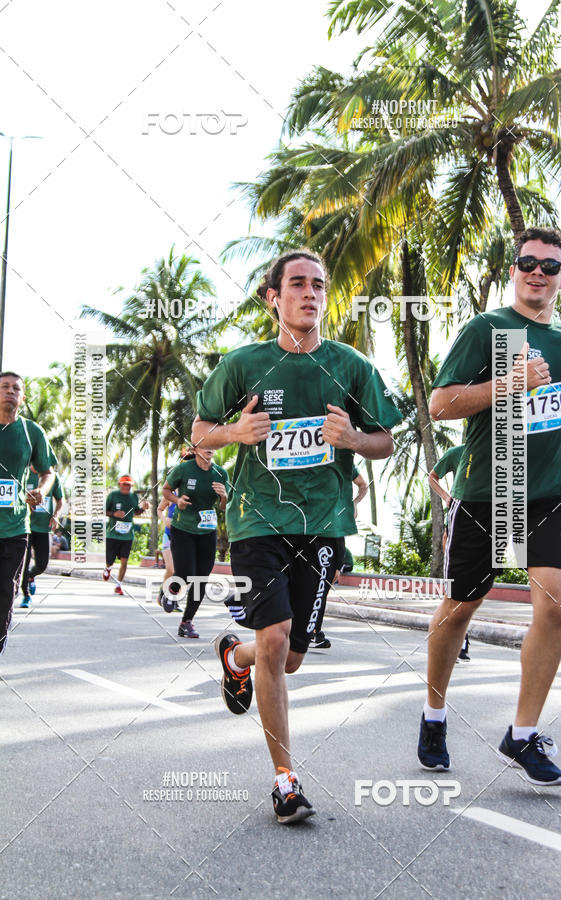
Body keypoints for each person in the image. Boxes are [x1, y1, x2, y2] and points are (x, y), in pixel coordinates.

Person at [192, 249, 401, 823]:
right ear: (273, 298)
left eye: (319, 285)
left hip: (324, 523)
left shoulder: (351, 366)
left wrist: (354, 440)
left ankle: (235, 656)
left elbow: (386, 440)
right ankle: (285, 779)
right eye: (298, 284)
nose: (310, 293)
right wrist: (236, 432)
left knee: (288, 659)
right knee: (277, 637)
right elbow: (200, 432)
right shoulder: (243, 365)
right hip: (257, 521)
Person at [420, 226, 561, 787]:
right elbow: (440, 404)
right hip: (487, 492)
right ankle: (434, 714)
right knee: (460, 609)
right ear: (514, 270)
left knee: (557, 603)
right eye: (528, 263)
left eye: (549, 266)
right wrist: (510, 382)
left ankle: (522, 734)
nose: (537, 273)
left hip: (551, 493)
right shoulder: (488, 329)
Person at [0, 372, 56, 654]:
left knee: (4, 596)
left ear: (22, 398)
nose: (10, 391)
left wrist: (43, 490)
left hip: (15, 528)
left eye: (16, 388)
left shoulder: (31, 431)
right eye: (4, 386)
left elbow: (48, 472)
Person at [161, 447, 228, 638]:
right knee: (185, 574)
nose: (209, 448)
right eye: (205, 444)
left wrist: (224, 496)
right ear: (196, 448)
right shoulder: (184, 469)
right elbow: (165, 490)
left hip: (207, 530)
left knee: (201, 579)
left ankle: (186, 622)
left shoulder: (220, 473)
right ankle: (171, 590)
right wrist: (177, 500)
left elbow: (224, 506)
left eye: (213, 445)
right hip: (183, 529)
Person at [310, 462, 368, 650]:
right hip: (312, 531)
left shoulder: (345, 463)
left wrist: (354, 502)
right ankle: (310, 632)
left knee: (321, 588)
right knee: (314, 588)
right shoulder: (313, 462)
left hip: (332, 534)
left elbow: (363, 484)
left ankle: (313, 631)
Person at [428, 445, 471, 661]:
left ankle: (460, 637)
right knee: (454, 583)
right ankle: (457, 640)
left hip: (486, 525)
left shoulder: (498, 451)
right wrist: (446, 496)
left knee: (473, 588)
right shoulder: (457, 453)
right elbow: (433, 476)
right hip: (457, 523)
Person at [20, 467, 64, 607]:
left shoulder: (52, 477)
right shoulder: (23, 472)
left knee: (42, 565)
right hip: (25, 527)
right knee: (24, 563)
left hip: (43, 528)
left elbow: (60, 500)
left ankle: (30, 576)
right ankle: (26, 595)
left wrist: (56, 516)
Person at [103, 476, 149, 594]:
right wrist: (114, 514)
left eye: (129, 485)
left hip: (127, 535)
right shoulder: (113, 495)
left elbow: (136, 512)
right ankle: (108, 568)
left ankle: (118, 585)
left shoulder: (133, 497)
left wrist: (143, 509)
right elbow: (104, 511)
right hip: (113, 534)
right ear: (120, 484)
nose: (126, 487)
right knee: (110, 561)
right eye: (124, 484)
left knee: (124, 561)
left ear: (131, 486)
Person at [157, 495, 180, 612]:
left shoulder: (190, 493)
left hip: (184, 538)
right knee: (171, 569)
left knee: (181, 572)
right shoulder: (170, 495)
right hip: (169, 536)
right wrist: (164, 519)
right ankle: (163, 592)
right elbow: (159, 509)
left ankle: (174, 600)